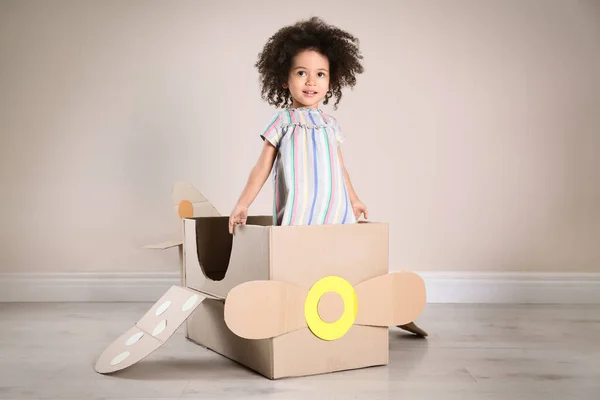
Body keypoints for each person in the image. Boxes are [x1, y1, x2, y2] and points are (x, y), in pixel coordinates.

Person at [228, 16, 427, 338]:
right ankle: (288, 319)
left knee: (342, 263)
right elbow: (262, 167)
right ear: (283, 79)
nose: (311, 81)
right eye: (301, 73)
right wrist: (243, 203)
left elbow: (339, 166)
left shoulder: (329, 125)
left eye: (320, 74)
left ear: (331, 82)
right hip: (299, 212)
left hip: (335, 210)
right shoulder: (283, 123)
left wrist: (355, 198)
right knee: (296, 266)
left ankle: (364, 312)